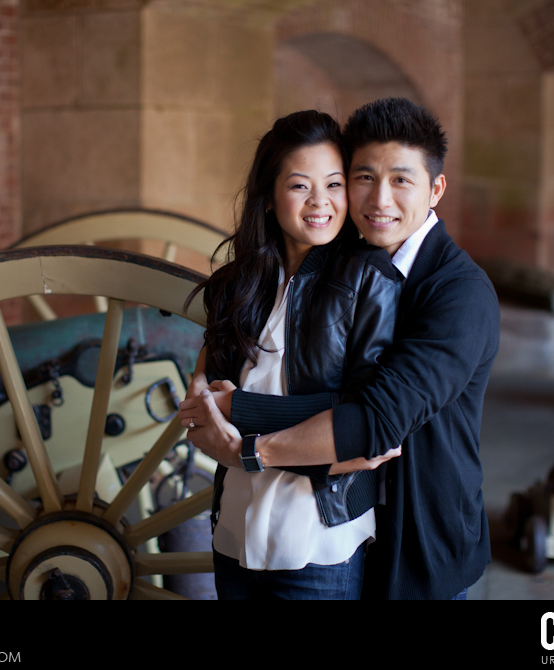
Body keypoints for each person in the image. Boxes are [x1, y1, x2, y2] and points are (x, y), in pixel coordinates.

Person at [181, 97, 500, 600]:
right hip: (340, 525)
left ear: (436, 188)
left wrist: (243, 433)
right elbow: (216, 381)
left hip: (420, 542)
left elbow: (373, 424)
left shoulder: (459, 294)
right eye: (363, 177)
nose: (379, 199)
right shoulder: (322, 268)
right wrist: (206, 395)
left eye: (401, 180)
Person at [184, 109, 403, 599]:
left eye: (334, 184)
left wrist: (244, 424)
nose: (320, 202)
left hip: (321, 542)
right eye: (301, 186)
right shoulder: (232, 288)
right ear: (268, 197)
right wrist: (221, 416)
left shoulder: (371, 280)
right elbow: (205, 414)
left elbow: (372, 434)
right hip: (234, 533)